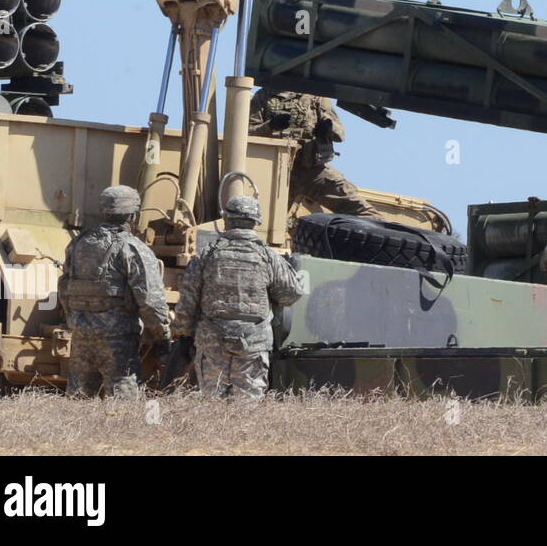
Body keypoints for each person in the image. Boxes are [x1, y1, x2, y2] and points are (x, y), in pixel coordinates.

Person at [171, 195, 308, 399]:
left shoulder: (208, 253)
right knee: (247, 408)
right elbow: (290, 295)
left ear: (226, 220)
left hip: (212, 340)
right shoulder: (268, 256)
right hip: (253, 343)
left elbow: (188, 299)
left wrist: (182, 332)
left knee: (212, 403)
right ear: (255, 222)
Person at [58, 185, 171, 398]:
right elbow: (150, 299)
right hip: (118, 341)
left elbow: (64, 288)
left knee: (78, 405)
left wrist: (75, 320)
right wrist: (162, 337)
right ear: (133, 215)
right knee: (123, 409)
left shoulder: (79, 243)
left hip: (81, 335)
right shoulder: (132, 248)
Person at [248, 88, 376, 217]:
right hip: (277, 173)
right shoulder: (264, 96)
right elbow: (247, 133)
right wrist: (270, 126)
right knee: (263, 219)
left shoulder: (316, 97)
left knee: (364, 212)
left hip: (313, 171)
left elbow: (340, 135)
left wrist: (327, 128)